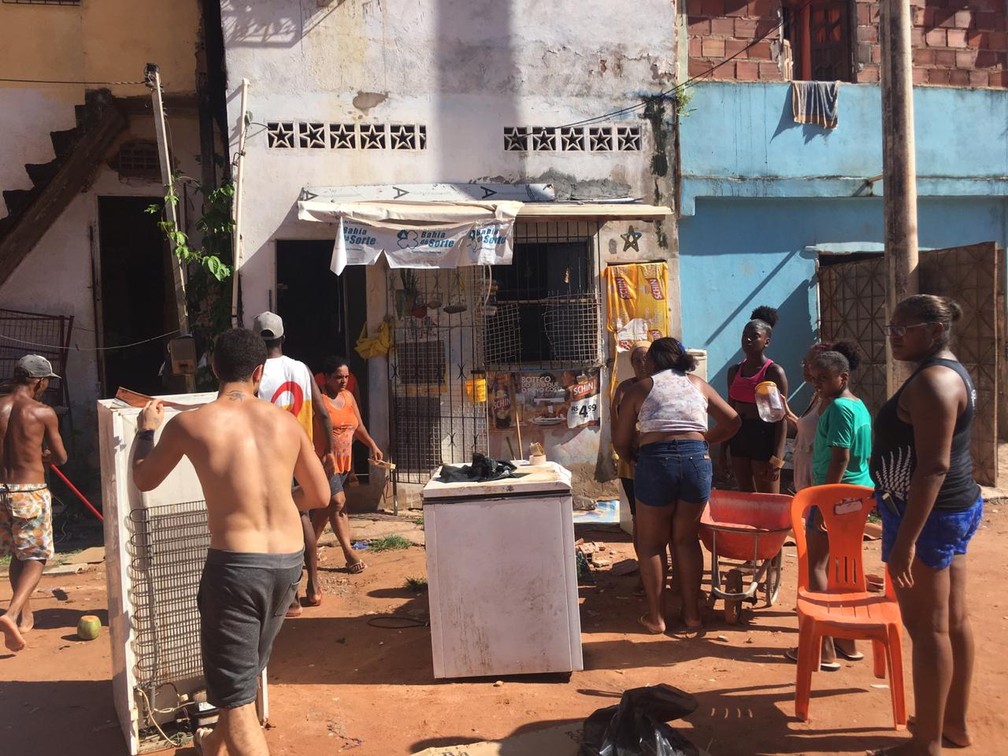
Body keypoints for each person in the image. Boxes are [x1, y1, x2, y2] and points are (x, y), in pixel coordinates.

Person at [132, 328, 329, 756]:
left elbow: (144, 478)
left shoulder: (192, 422)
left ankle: (229, 738)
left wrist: (146, 431)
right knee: (241, 677)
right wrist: (281, 497)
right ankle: (211, 744)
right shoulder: (286, 422)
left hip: (237, 568)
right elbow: (319, 497)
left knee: (238, 701)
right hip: (287, 564)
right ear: (259, 372)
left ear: (214, 368)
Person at [869, 295, 982, 755]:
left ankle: (927, 744)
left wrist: (906, 542)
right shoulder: (950, 370)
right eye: (891, 325)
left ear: (935, 331)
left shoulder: (934, 382)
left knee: (928, 628)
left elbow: (932, 467)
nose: (894, 335)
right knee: (953, 620)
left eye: (905, 328)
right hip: (950, 510)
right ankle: (953, 725)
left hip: (927, 517)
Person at [613, 337, 740, 636]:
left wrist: (631, 455)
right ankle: (692, 614)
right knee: (685, 539)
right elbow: (733, 420)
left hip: (656, 462)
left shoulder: (640, 388)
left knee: (651, 543)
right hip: (696, 462)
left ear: (653, 362)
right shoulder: (697, 384)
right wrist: (706, 440)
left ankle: (656, 618)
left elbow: (620, 440)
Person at [784, 343, 871, 670]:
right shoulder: (859, 406)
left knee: (817, 567)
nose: (818, 384)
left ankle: (823, 649)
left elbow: (840, 457)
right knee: (841, 568)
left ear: (843, 376)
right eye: (815, 378)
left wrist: (821, 503)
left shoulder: (836, 410)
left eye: (824, 378)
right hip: (858, 495)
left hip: (835, 496)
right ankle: (846, 641)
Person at [253, 311, 334, 613]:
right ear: (283, 337)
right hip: (304, 453)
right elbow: (323, 413)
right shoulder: (301, 368)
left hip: (273, 459)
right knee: (302, 517)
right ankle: (314, 585)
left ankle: (292, 596)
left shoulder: (256, 375)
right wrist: (328, 452)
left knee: (279, 522)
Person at [0, 355, 68, 652]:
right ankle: (12, 614)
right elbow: (62, 457)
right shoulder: (43, 412)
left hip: (0, 490)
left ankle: (25, 615)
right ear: (39, 381)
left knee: (18, 552)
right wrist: (45, 456)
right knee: (36, 557)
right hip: (29, 492)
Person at [312, 356, 383, 574]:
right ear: (326, 378)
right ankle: (349, 553)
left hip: (344, 463)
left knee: (327, 508)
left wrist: (372, 444)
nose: (343, 381)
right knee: (338, 502)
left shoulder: (348, 397)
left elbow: (358, 426)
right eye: (338, 377)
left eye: (346, 377)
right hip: (324, 462)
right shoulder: (318, 399)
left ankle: (306, 547)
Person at [723, 306, 788, 493]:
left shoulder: (773, 372)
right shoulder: (734, 371)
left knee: (768, 497)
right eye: (744, 335)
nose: (748, 339)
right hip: (739, 435)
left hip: (763, 435)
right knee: (745, 494)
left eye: (754, 336)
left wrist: (777, 459)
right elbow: (730, 409)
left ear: (766, 341)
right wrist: (724, 449)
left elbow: (781, 418)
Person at [611, 342, 650, 565]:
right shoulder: (624, 389)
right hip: (630, 462)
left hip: (656, 461)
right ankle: (644, 567)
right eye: (637, 360)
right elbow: (617, 426)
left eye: (646, 358)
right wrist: (625, 454)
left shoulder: (659, 387)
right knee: (638, 518)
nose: (642, 364)